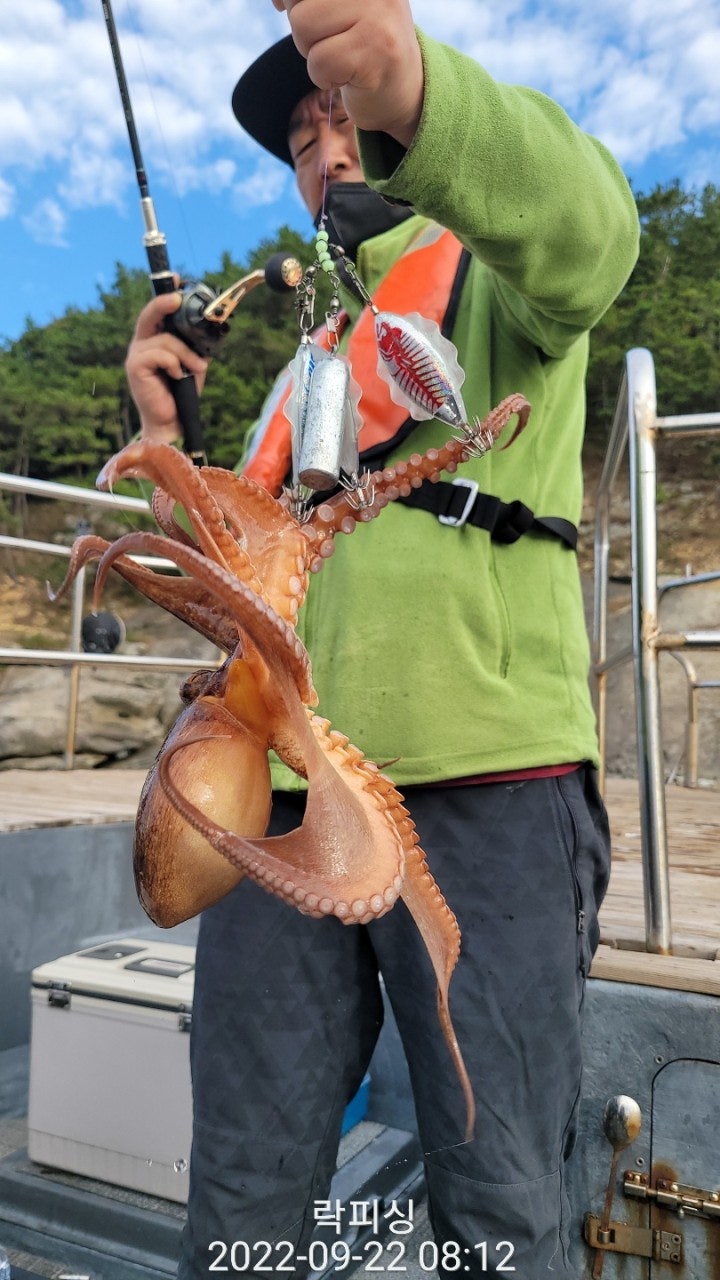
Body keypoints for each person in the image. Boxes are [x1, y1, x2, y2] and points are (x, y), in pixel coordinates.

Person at [125, 1, 640, 1275]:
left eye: (339, 111)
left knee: (501, 1198)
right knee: (241, 1188)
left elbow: (596, 231)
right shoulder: (302, 367)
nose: (325, 145)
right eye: (301, 137)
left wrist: (418, 85)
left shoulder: (501, 275)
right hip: (283, 795)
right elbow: (230, 564)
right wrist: (168, 435)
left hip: (491, 783)